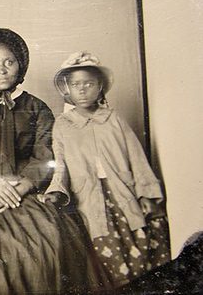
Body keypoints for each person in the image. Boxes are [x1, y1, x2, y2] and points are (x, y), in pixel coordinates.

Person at [0, 26, 105, 294]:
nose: (2, 70)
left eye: (9, 62)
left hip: (25, 191)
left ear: (20, 66)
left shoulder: (37, 107)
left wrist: (21, 187)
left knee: (46, 240)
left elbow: (46, 154)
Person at [43, 51, 170, 287]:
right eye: (75, 84)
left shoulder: (113, 119)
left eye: (89, 84)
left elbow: (136, 158)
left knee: (139, 243)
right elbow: (59, 165)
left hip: (122, 192)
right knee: (103, 254)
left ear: (100, 87)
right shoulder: (63, 125)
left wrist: (146, 193)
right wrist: (56, 190)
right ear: (67, 88)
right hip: (89, 198)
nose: (82, 90)